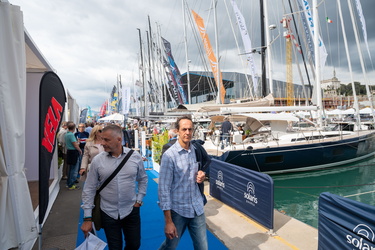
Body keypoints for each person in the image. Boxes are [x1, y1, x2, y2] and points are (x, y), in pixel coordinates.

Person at [81, 124, 148, 250]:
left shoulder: (134, 157)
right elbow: (89, 189)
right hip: (108, 212)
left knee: (134, 245)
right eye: (101, 139)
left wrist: (139, 200)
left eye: (106, 140)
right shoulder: (98, 160)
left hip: (131, 210)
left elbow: (143, 178)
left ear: (118, 139)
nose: (102, 143)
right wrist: (87, 217)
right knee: (115, 247)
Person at [158, 116, 208, 250]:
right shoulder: (169, 156)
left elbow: (205, 165)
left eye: (190, 129)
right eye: (184, 129)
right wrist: (168, 221)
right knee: (171, 246)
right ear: (177, 131)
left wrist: (202, 174)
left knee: (203, 248)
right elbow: (163, 189)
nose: (187, 132)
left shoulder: (196, 150)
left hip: (197, 208)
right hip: (178, 210)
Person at [65, 121, 82, 190]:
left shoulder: (66, 134)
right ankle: (71, 184)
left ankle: (69, 183)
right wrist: (79, 149)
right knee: (74, 169)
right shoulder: (71, 135)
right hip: (73, 152)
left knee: (71, 168)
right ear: (74, 128)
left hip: (69, 151)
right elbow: (75, 145)